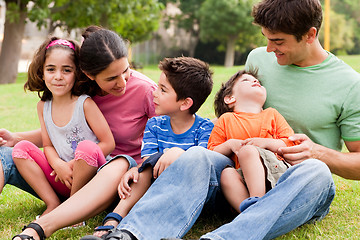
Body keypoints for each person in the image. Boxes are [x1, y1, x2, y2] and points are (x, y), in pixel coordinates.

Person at [73, 0, 360, 239]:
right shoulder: (259, 58)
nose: (270, 49)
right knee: (198, 154)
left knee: (317, 172)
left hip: (292, 183)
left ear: (310, 35)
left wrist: (318, 153)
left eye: (278, 41)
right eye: (266, 39)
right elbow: (231, 120)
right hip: (236, 179)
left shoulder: (348, 84)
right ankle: (131, 234)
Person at [9, 25, 157, 240]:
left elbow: (167, 134)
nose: (123, 82)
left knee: (94, 153)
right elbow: (65, 133)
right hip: (79, 171)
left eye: (126, 70)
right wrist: (17, 138)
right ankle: (57, 206)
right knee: (10, 152)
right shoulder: (83, 92)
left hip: (125, 174)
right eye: (111, 78)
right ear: (89, 76)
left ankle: (62, 215)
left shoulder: (145, 90)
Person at [83, 56, 214, 239]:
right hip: (156, 182)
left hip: (188, 189)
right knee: (142, 172)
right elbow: (148, 162)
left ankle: (125, 229)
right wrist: (136, 170)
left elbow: (202, 162)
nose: (154, 93)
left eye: (163, 89)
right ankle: (114, 218)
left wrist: (176, 154)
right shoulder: (155, 125)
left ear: (185, 103)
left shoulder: (205, 128)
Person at [12, 37, 115, 218]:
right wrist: (58, 164)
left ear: (77, 74)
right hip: (63, 177)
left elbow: (108, 143)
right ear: (42, 73)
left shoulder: (85, 104)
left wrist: (73, 163)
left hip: (93, 180)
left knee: (86, 147)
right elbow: (48, 145)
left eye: (66, 70)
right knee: (21, 149)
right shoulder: (43, 106)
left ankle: (74, 210)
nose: (58, 76)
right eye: (51, 69)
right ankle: (53, 204)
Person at [209, 69, 295, 213]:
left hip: (275, 173)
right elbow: (211, 152)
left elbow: (290, 143)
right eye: (246, 80)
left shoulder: (271, 114)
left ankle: (257, 202)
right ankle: (250, 212)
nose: (255, 81)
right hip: (244, 181)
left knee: (248, 151)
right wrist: (230, 144)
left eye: (257, 82)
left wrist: (266, 143)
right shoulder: (226, 119)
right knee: (226, 174)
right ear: (230, 98)